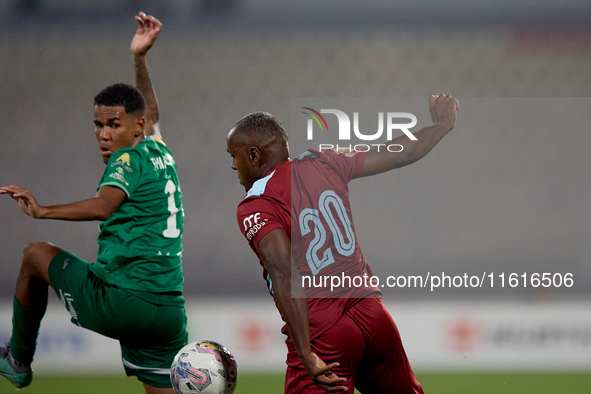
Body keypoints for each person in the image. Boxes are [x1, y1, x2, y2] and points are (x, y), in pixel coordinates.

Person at [0, 13, 187, 394]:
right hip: (168, 311)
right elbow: (149, 112)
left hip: (123, 300)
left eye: (113, 125)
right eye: (98, 125)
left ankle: (17, 361)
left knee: (35, 254)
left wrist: (42, 211)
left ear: (134, 127)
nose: (103, 134)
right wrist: (140, 58)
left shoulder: (127, 160)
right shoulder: (160, 152)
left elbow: (104, 206)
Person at [227, 94, 459, 393]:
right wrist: (443, 124)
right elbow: (398, 152)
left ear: (254, 155)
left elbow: (284, 272)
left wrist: (307, 353)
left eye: (233, 155)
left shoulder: (257, 205)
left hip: (324, 331)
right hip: (373, 315)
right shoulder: (325, 160)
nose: (233, 165)